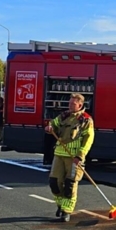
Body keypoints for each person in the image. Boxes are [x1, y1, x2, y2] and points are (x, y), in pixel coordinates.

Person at [45, 93, 94, 223]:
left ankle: (66, 211)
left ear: (80, 105)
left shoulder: (86, 120)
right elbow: (53, 123)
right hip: (59, 154)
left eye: (73, 104)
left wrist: (80, 156)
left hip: (74, 158)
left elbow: (88, 140)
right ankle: (61, 204)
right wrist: (50, 127)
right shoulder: (63, 116)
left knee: (70, 185)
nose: (70, 106)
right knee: (54, 183)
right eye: (69, 103)